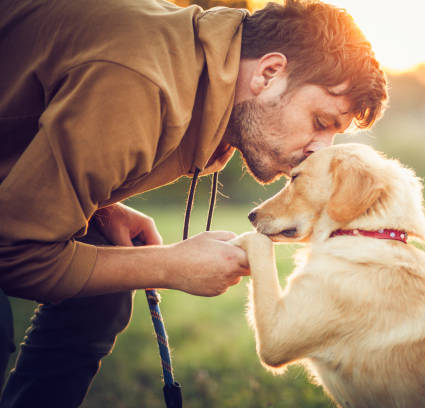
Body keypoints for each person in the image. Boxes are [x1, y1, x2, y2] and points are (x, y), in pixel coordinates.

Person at [0, 0, 387, 405]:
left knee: (102, 295)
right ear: (269, 73)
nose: (319, 150)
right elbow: (13, 254)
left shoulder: (203, 71)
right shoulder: (142, 81)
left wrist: (101, 206)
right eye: (321, 123)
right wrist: (169, 265)